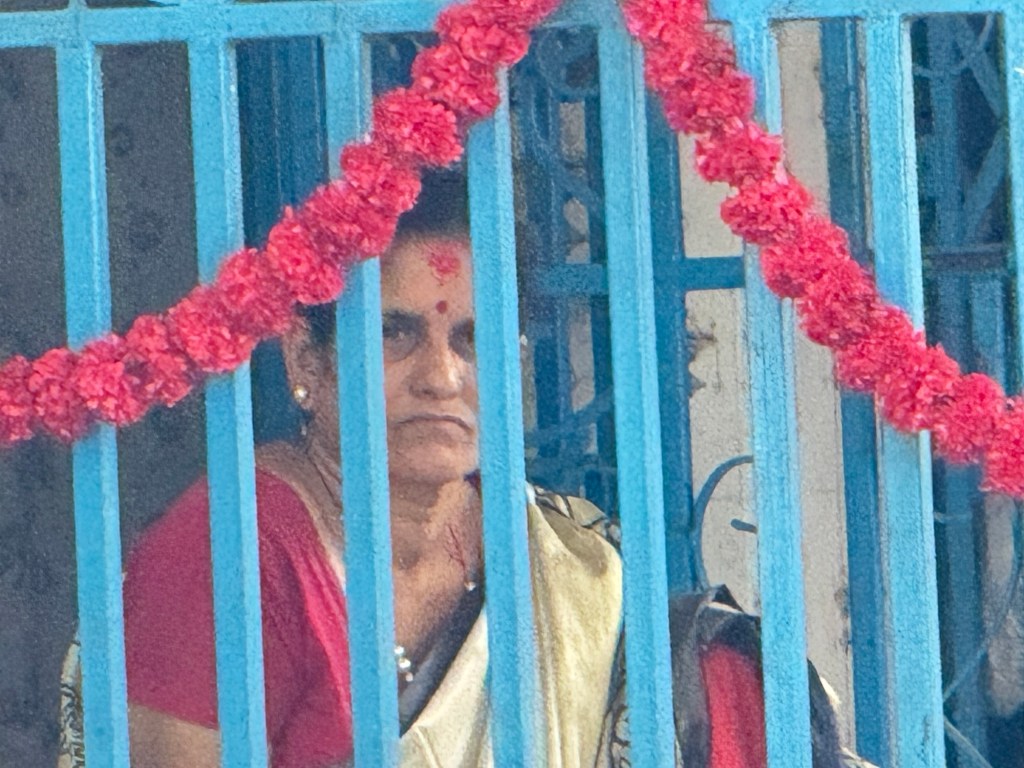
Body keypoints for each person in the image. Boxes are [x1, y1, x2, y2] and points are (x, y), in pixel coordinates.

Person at [59, 186, 866, 768]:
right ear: (307, 358)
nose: (442, 377)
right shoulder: (233, 556)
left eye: (473, 341)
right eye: (396, 334)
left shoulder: (545, 551)